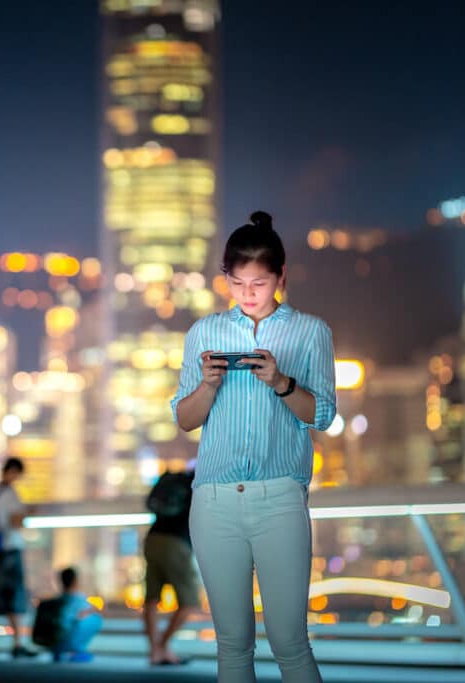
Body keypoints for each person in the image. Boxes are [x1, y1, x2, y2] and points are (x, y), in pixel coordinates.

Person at [171, 211, 336, 683]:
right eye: (238, 282)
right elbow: (184, 419)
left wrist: (280, 381)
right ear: (225, 278)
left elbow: (322, 414)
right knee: (232, 646)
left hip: (279, 498)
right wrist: (207, 385)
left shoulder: (310, 332)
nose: (248, 294)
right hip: (214, 501)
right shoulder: (205, 333)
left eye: (260, 283)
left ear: (281, 276)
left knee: (290, 643)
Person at [0, 457, 37, 659]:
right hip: (9, 548)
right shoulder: (8, 494)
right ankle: (18, 643)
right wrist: (27, 513)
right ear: (12, 471)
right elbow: (14, 521)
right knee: (14, 596)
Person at [142, 469, 199, 666]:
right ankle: (161, 647)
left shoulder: (173, 478)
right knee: (189, 601)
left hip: (153, 538)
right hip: (176, 542)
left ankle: (155, 652)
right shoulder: (199, 482)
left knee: (151, 598)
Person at [54, 567, 102, 663]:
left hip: (54, 642)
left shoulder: (56, 600)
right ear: (75, 581)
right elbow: (87, 612)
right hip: (67, 639)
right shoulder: (79, 599)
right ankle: (75, 651)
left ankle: (62, 651)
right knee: (96, 619)